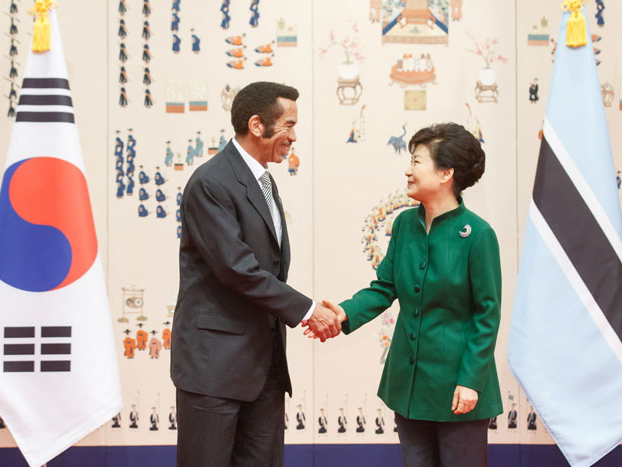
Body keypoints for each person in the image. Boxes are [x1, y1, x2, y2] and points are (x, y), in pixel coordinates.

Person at [171, 81, 341, 467]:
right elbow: (238, 269)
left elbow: (269, 267)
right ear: (257, 125)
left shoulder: (263, 180)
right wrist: (307, 310)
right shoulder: (211, 183)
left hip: (263, 370)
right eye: (289, 125)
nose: (294, 137)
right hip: (213, 369)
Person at [316, 123, 503, 466]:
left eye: (417, 162)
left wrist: (471, 380)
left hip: (458, 388)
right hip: (410, 386)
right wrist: (343, 313)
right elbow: (384, 287)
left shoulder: (478, 234)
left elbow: (487, 314)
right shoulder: (403, 225)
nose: (408, 170)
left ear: (446, 172)